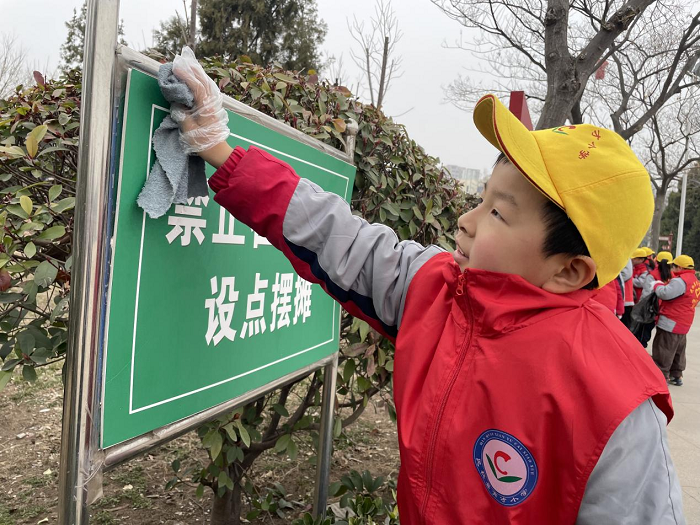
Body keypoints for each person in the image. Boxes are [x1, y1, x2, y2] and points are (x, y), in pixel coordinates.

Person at [168, 48, 684, 524]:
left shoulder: (618, 407)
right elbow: (341, 238)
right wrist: (223, 151)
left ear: (570, 270)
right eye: (482, 198)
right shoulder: (440, 292)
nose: (467, 220)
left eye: (499, 214)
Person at [652, 255, 700, 386]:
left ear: (680, 267)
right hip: (684, 322)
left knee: (664, 348)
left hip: (671, 321)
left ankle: (661, 376)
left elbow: (665, 293)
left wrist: (657, 286)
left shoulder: (680, 281)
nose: (672, 268)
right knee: (679, 349)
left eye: (673, 266)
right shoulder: (694, 280)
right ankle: (676, 375)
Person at [633, 251, 674, 347]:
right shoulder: (673, 277)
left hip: (649, 312)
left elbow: (645, 295)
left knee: (641, 337)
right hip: (663, 312)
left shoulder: (652, 275)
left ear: (657, 262)